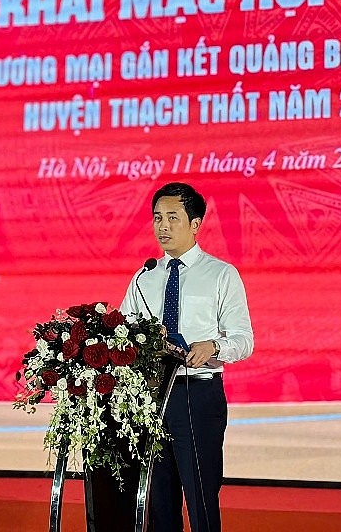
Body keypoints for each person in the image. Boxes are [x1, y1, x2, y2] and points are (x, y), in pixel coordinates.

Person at [120, 182, 254, 532]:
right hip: (150, 398)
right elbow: (123, 334)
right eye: (157, 218)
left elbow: (243, 340)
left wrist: (213, 347)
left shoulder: (221, 274)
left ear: (195, 224)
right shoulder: (144, 277)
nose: (162, 226)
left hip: (197, 394)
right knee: (158, 500)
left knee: (200, 497)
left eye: (172, 218)